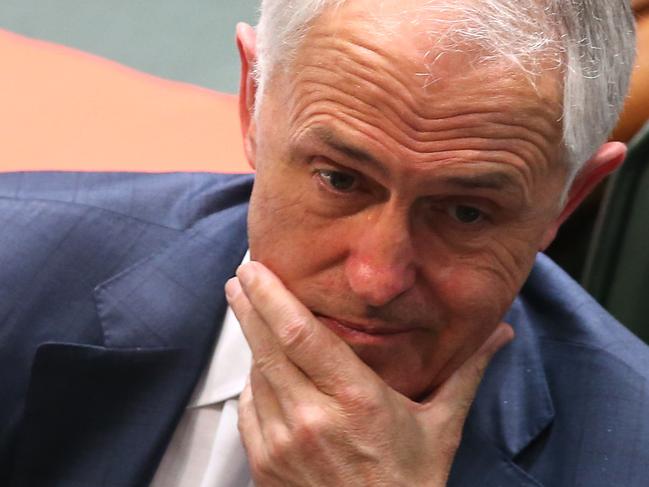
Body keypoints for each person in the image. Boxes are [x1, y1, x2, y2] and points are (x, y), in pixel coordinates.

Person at [1, 0, 648, 486]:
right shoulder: (18, 267)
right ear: (254, 101)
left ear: (568, 198)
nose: (376, 277)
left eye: (464, 212)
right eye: (339, 179)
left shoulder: (627, 451)